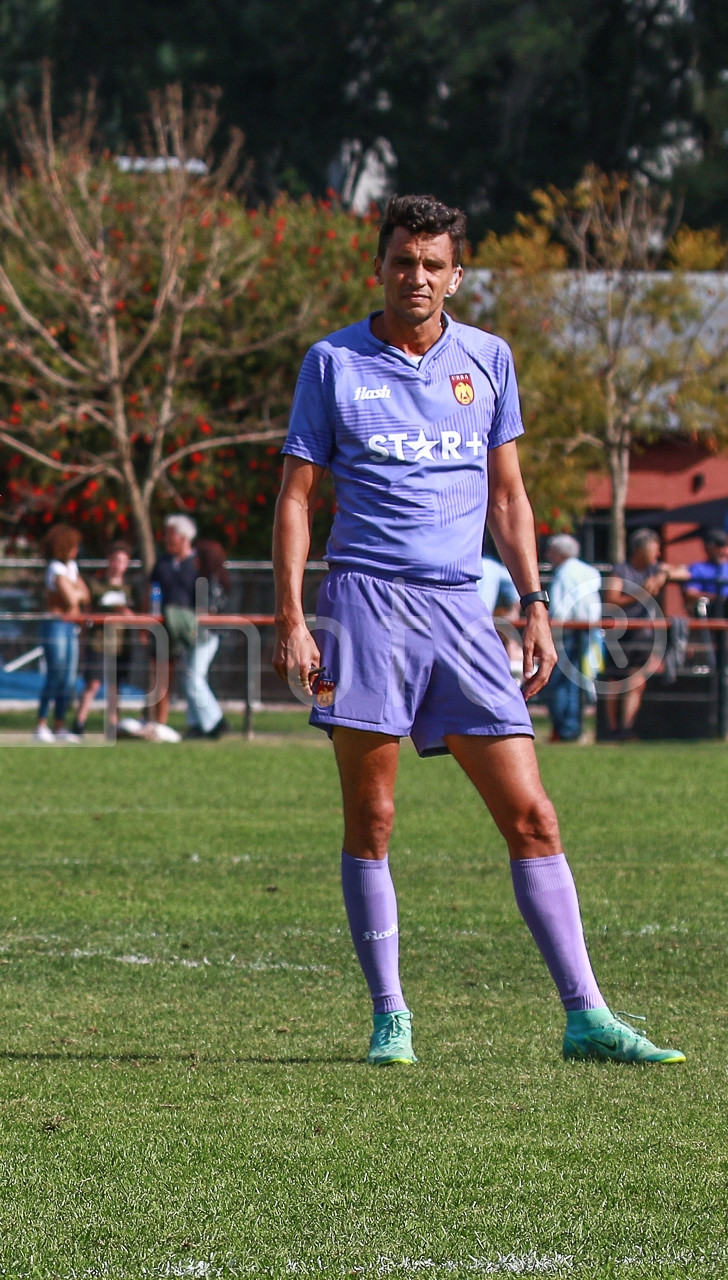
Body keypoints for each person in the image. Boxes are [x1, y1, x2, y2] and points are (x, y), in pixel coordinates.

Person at [273, 192, 683, 1068]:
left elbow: (508, 497)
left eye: (432, 264)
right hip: (366, 605)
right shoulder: (332, 363)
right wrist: (292, 617)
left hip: (464, 611)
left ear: (455, 275)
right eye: (401, 260)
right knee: (372, 819)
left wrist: (533, 603)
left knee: (532, 814)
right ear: (378, 266)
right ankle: (392, 1018)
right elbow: (297, 499)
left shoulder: (489, 359)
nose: (415, 276)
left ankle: (587, 1015)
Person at [600, 528, 687, 742]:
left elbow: (685, 572)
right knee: (615, 681)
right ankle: (613, 731)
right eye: (654, 550)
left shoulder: (656, 569)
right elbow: (611, 600)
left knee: (637, 681)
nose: (657, 555)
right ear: (639, 550)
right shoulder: (621, 571)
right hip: (619, 635)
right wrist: (641, 594)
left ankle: (627, 728)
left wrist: (664, 574)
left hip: (644, 636)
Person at [34, 523, 90, 743]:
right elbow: (71, 598)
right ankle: (41, 723)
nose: (76, 550)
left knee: (68, 678)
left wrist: (74, 590)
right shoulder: (55, 569)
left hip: (70, 626)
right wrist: (74, 591)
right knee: (55, 673)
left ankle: (59, 725)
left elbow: (84, 595)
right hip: (55, 624)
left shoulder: (71, 568)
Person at [72, 540, 134, 737]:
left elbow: (137, 615)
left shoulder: (130, 589)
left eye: (122, 561)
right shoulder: (96, 586)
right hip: (98, 642)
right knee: (93, 684)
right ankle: (79, 724)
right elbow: (87, 610)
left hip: (121, 645)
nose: (118, 565)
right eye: (115, 560)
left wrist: (126, 613)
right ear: (109, 561)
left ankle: (113, 727)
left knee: (116, 687)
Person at [544, 534, 601, 744]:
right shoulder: (590, 571)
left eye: (551, 551)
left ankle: (565, 729)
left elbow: (559, 609)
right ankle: (574, 727)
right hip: (588, 630)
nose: (548, 556)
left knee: (559, 682)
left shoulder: (563, 574)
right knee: (578, 680)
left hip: (566, 632)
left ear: (560, 553)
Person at [148, 514, 199, 740]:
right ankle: (158, 724)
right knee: (160, 676)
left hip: (190, 630)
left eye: (171, 534)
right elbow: (150, 593)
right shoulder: (162, 563)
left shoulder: (197, 563)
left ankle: (198, 724)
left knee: (193, 677)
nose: (166, 539)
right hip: (163, 627)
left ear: (184, 537)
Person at [183, 538, 229, 739]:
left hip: (207, 635)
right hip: (197, 634)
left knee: (194, 678)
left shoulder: (211, 580)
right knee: (191, 677)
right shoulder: (203, 578)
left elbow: (210, 610)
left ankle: (214, 721)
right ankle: (197, 723)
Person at [684, 528, 728, 615]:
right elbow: (691, 595)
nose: (724, 551)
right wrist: (719, 599)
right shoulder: (698, 568)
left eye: (726, 546)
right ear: (707, 547)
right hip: (710, 613)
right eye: (719, 546)